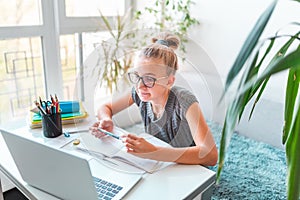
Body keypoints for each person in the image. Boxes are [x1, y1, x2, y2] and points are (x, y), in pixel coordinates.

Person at [90, 32, 218, 166]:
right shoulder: (138, 92)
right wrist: (106, 120)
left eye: (149, 79)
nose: (140, 85)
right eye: (137, 76)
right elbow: (105, 108)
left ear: (169, 81)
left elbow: (210, 155)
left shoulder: (184, 100)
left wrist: (153, 152)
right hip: (160, 164)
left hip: (190, 166)